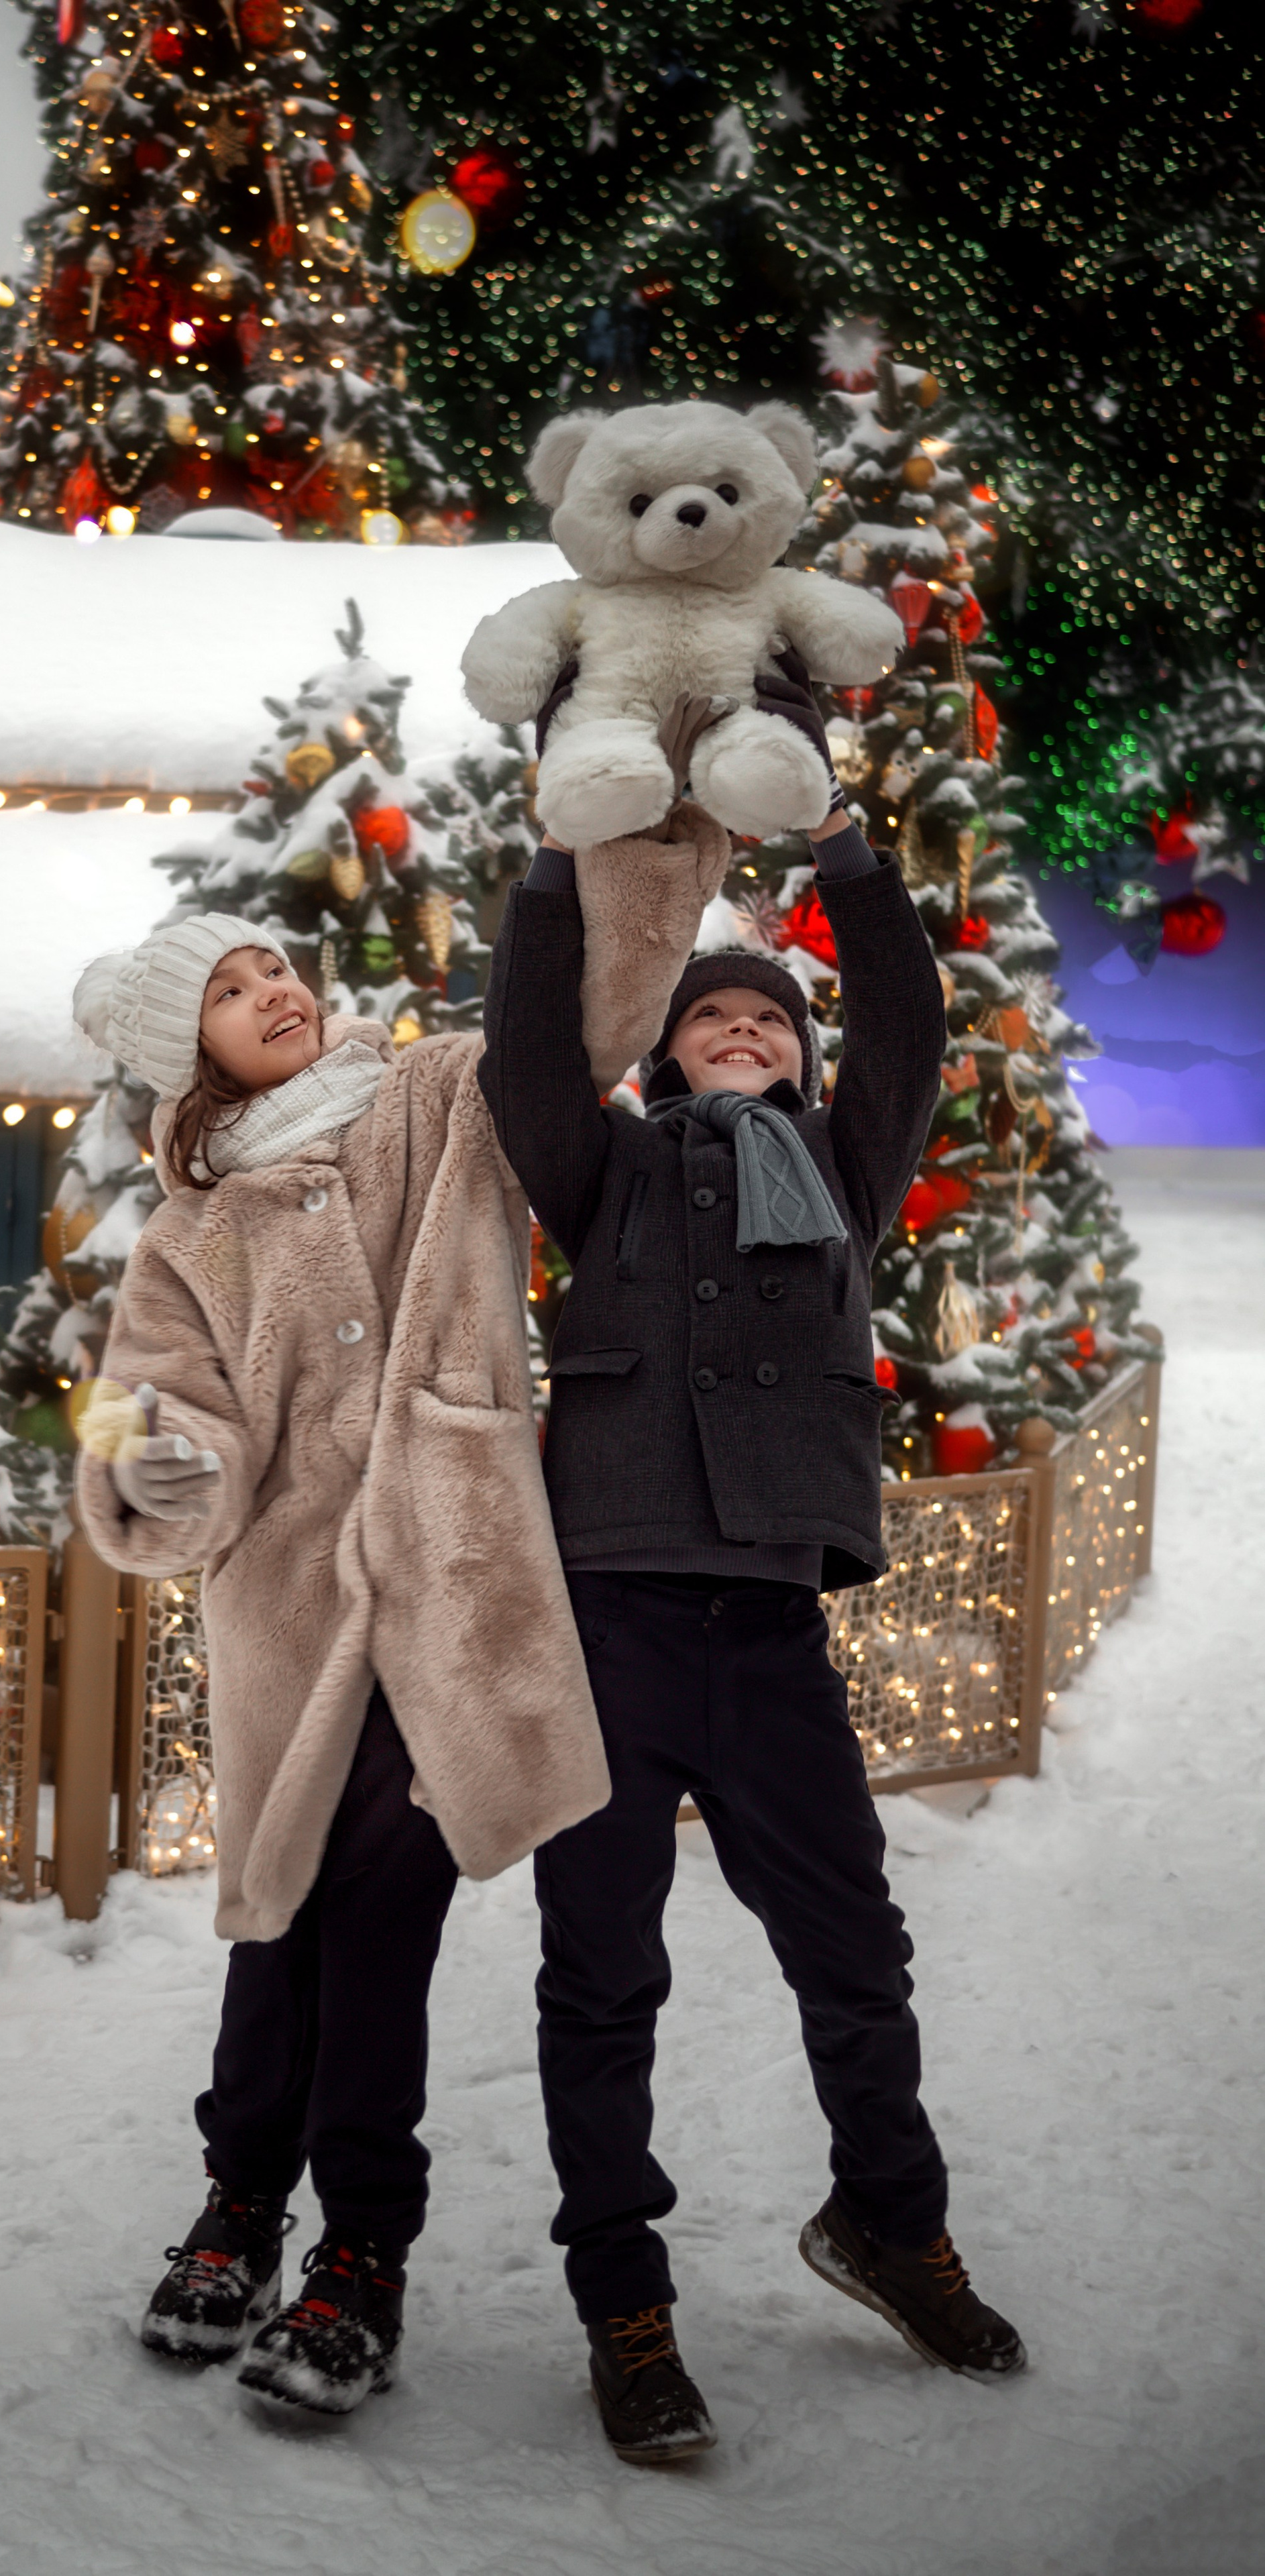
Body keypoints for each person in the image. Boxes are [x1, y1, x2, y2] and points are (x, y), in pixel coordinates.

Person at [68, 841, 723, 2420]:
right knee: (277, 1910)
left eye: (272, 964)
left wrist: (619, 849)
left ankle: (360, 2249)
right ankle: (240, 2205)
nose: (272, 990)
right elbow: (152, 1410)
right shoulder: (189, 1234)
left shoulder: (435, 1096)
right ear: (192, 1058)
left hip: (449, 1589)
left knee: (379, 1927)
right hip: (289, 1620)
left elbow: (593, 1025)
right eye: (231, 992)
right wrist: (155, 1464)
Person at [478, 656, 1027, 2468]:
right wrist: (566, 827)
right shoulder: (605, 1175)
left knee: (851, 1949)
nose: (745, 1036)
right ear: (668, 1053)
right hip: (617, 1614)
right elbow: (529, 1042)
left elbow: (908, 1015)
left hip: (771, 1620)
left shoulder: (845, 1174)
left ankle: (897, 2219)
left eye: (769, 1025)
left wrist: (843, 838)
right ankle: (624, 2309)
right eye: (714, 1022)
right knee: (601, 1972)